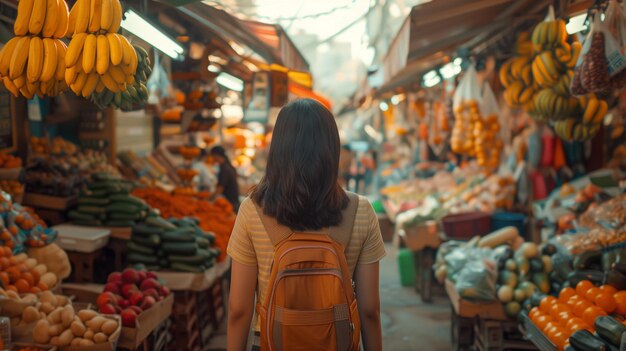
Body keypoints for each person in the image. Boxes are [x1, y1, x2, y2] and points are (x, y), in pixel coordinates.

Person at [227, 99, 385, 351]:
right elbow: (369, 310)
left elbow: (238, 309)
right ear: (332, 149)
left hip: (271, 342)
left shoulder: (251, 210)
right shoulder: (361, 211)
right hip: (338, 343)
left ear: (277, 149)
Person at [209, 146, 240, 212]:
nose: (212, 158)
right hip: (234, 202)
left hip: (230, 205)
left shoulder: (224, 169)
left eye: (212, 156)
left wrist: (209, 199)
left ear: (216, 155)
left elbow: (220, 189)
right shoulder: (227, 166)